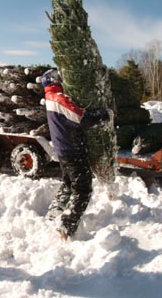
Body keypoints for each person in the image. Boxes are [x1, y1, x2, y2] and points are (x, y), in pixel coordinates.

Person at [41, 69, 110, 240]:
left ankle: (54, 213)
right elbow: (81, 119)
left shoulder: (50, 97)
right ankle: (66, 225)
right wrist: (104, 115)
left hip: (62, 149)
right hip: (72, 150)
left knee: (68, 183)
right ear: (55, 80)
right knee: (83, 188)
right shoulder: (59, 98)